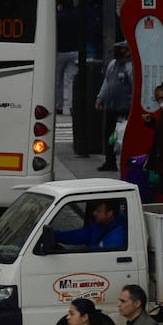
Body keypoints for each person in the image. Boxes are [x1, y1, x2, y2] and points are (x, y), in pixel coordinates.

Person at [95, 41, 133, 171]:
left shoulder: (130, 67)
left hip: (126, 108)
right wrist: (100, 98)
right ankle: (110, 161)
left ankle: (127, 162)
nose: (118, 52)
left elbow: (134, 86)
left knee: (123, 137)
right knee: (109, 136)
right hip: (111, 107)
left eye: (122, 49)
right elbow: (107, 82)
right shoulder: (112, 65)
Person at [54, 199, 127, 250]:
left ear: (109, 214)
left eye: (98, 211)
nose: (94, 213)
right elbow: (78, 236)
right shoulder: (100, 226)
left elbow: (98, 257)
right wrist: (55, 236)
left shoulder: (116, 237)